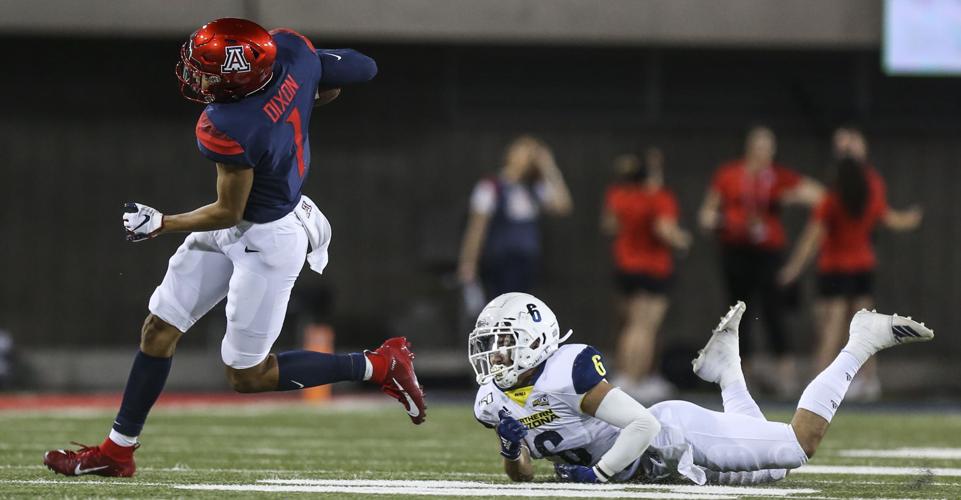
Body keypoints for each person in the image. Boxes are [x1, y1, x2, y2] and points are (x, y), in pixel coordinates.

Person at [42, 18, 426, 478]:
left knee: (248, 375)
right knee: (158, 329)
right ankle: (116, 452)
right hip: (254, 219)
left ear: (237, 78)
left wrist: (162, 224)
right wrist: (306, 91)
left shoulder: (228, 123)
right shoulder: (293, 54)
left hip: (267, 238)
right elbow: (360, 70)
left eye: (206, 71)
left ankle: (378, 365)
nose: (197, 77)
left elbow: (228, 210)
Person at [470, 295, 933, 484]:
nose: (495, 360)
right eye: (489, 349)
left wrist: (600, 478)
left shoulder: (567, 371)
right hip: (658, 469)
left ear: (536, 341)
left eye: (503, 347)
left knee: (797, 447)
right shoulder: (492, 398)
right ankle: (726, 368)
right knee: (773, 477)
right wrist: (512, 450)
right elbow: (525, 474)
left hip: (672, 438)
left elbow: (642, 424)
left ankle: (859, 341)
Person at [779, 127, 923, 401]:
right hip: (861, 266)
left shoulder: (833, 195)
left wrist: (793, 269)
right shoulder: (874, 185)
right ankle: (869, 382)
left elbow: (812, 237)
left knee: (830, 330)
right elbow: (889, 218)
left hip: (834, 268)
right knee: (865, 331)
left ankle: (819, 388)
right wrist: (910, 220)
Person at [698, 126, 823, 395]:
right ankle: (745, 374)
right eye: (758, 147)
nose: (762, 153)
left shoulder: (778, 177)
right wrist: (721, 221)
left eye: (768, 147)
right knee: (738, 312)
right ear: (748, 148)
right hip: (736, 251)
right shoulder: (730, 174)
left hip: (768, 253)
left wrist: (788, 198)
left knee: (774, 311)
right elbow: (707, 213)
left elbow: (821, 197)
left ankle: (785, 373)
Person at [600, 149, 691, 402]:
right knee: (644, 328)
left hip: (625, 267)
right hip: (652, 269)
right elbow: (665, 230)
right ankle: (634, 379)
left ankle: (625, 375)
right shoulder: (659, 198)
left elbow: (609, 225)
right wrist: (683, 240)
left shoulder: (618, 195)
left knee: (629, 325)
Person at [457, 136, 573, 301]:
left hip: (527, 262)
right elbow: (477, 228)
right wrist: (468, 262)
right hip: (499, 261)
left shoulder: (533, 189)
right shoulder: (491, 187)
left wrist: (549, 167)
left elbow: (562, 206)